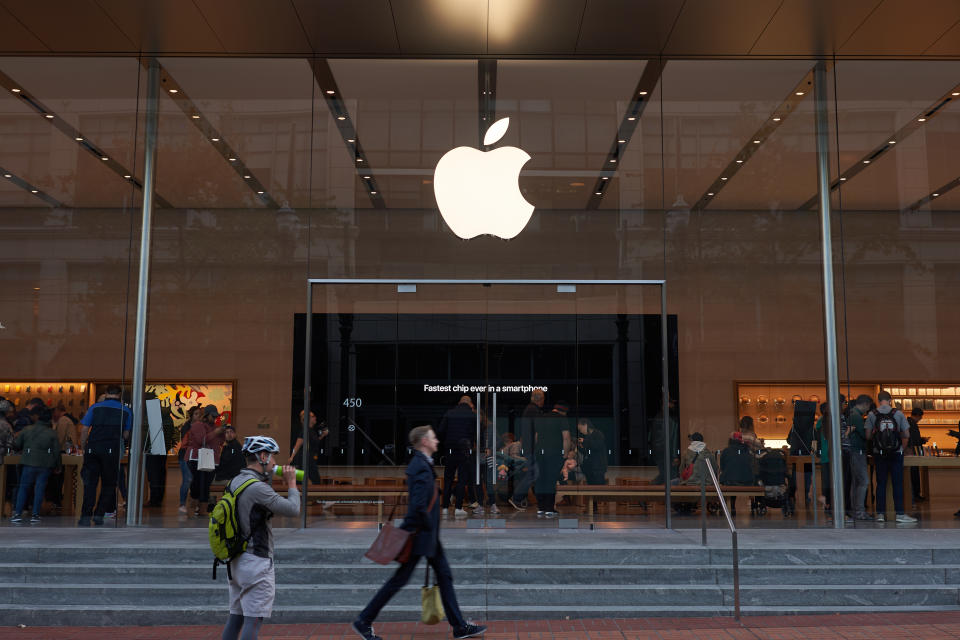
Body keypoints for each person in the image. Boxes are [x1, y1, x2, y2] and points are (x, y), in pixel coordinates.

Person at [351, 426, 485, 640]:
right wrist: (423, 531)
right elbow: (418, 506)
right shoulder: (421, 467)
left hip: (426, 536)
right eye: (433, 438)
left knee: (443, 576)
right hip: (421, 536)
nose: (437, 441)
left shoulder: (421, 464)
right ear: (424, 441)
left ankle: (459, 626)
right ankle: (363, 620)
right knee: (400, 580)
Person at [221, 436, 300, 640]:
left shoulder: (236, 481)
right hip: (256, 562)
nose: (275, 462)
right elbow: (293, 509)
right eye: (273, 457)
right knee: (253, 622)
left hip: (236, 559)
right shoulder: (258, 488)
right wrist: (292, 483)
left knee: (235, 618)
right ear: (263, 456)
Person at [78, 385, 132, 526]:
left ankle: (85, 516)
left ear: (106, 393)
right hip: (111, 450)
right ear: (119, 395)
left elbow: (84, 429)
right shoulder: (125, 410)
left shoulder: (95, 408)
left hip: (93, 448)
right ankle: (99, 514)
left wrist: (84, 447)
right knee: (108, 484)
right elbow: (126, 434)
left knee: (90, 484)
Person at [865, 391, 917, 523]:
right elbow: (906, 434)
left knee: (881, 483)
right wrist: (900, 448)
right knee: (897, 483)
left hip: (879, 453)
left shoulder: (872, 414)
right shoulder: (898, 413)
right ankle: (900, 514)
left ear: (878, 400)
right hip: (896, 453)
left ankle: (880, 514)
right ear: (890, 400)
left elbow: (868, 436)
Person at [10, 406, 59, 524]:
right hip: (45, 465)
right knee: (39, 489)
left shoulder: (26, 429)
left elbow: (16, 445)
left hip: (28, 462)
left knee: (23, 488)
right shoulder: (52, 433)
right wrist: (58, 466)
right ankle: (35, 515)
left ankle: (17, 513)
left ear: (38, 419)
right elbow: (56, 452)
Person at [436, 396, 476, 517]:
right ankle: (458, 507)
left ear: (459, 403)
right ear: (469, 404)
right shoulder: (472, 415)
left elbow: (440, 431)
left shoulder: (449, 413)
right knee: (462, 479)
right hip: (464, 450)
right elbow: (475, 432)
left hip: (450, 450)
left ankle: (445, 508)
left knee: (448, 478)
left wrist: (446, 443)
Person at [182, 405, 225, 516]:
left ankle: (202, 511)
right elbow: (201, 440)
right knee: (196, 485)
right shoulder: (198, 425)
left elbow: (219, 442)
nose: (214, 418)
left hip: (211, 459)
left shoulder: (216, 427)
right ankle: (192, 510)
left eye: (216, 416)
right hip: (197, 458)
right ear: (206, 415)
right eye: (213, 416)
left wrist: (223, 433)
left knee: (205, 486)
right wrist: (216, 433)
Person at [534, 402, 571, 517]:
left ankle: (541, 508)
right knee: (550, 480)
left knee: (540, 479)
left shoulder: (541, 418)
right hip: (554, 454)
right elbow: (566, 437)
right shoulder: (562, 419)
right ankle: (550, 508)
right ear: (563, 412)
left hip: (540, 453)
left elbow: (536, 436)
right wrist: (565, 454)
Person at [847, 395, 873, 520]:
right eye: (868, 407)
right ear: (866, 404)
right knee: (863, 481)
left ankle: (855, 510)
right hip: (858, 451)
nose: (867, 410)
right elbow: (865, 435)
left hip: (853, 452)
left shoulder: (852, 414)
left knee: (856, 482)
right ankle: (859, 511)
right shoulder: (856, 416)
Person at [718, 431, 756, 516]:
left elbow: (723, 467)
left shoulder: (726, 451)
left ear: (730, 440)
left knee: (730, 477)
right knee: (736, 475)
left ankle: (731, 506)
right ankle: (753, 507)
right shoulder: (747, 450)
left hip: (730, 482)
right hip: (747, 481)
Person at [288, 409, 328, 484]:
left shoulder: (311, 431)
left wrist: (322, 436)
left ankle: (296, 492)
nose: (315, 418)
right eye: (313, 416)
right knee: (315, 480)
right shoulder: (305, 431)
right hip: (305, 459)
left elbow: (314, 442)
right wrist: (292, 457)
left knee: (301, 480)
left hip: (308, 459)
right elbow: (297, 445)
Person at [577, 418, 608, 485]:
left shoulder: (598, 434)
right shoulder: (587, 436)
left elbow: (597, 446)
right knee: (591, 488)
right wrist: (579, 447)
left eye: (581, 429)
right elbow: (587, 452)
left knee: (599, 488)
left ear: (585, 425)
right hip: (589, 467)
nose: (580, 431)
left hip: (598, 467)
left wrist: (584, 441)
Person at [906, 407, 926, 504]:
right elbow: (913, 439)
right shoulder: (912, 424)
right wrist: (922, 441)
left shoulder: (908, 422)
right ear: (918, 416)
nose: (920, 419)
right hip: (912, 452)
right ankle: (915, 495)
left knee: (913, 474)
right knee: (914, 474)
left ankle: (915, 495)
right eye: (920, 417)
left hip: (911, 451)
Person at [177, 419, 194, 514]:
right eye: (196, 414)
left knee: (190, 479)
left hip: (193, 456)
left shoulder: (200, 426)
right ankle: (182, 503)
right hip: (185, 456)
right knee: (187, 479)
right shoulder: (187, 427)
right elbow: (185, 443)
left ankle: (191, 502)